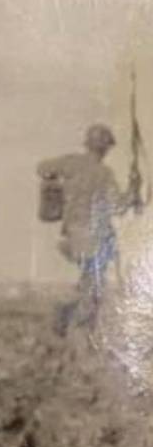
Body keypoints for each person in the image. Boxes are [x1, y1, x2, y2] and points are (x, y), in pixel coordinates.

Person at [37, 123, 143, 336]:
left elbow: (42, 168)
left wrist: (56, 185)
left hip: (74, 233)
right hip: (92, 236)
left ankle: (74, 323)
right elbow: (117, 207)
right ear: (104, 148)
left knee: (90, 283)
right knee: (93, 287)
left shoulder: (72, 163)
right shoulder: (104, 174)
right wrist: (132, 193)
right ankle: (69, 320)